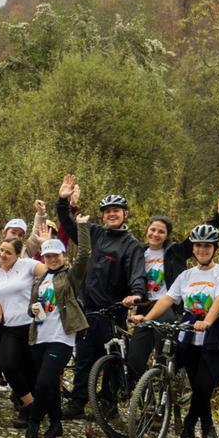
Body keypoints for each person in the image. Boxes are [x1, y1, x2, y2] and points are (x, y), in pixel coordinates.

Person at [133, 224, 219, 438]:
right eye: (198, 246)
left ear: (214, 248)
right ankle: (208, 432)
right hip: (189, 332)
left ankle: (190, 423)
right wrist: (147, 318)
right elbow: (167, 299)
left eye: (207, 246)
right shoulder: (187, 275)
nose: (202, 250)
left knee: (203, 384)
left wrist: (207, 321)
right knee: (196, 383)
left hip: (214, 331)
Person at [55, 175, 145, 417]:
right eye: (107, 211)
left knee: (113, 359)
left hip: (114, 310)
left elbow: (138, 272)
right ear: (103, 215)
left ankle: (108, 404)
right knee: (84, 358)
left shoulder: (131, 244)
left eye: (116, 211)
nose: (111, 214)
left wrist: (136, 293)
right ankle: (77, 403)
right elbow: (68, 225)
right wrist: (63, 201)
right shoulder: (94, 232)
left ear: (125, 214)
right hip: (88, 308)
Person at [130, 191, 219, 381]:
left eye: (161, 231)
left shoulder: (175, 252)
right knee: (135, 354)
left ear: (168, 236)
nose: (155, 234)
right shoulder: (138, 252)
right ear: (147, 230)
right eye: (152, 229)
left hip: (168, 306)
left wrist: (218, 216)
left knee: (164, 345)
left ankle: (163, 377)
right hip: (145, 305)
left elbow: (200, 240)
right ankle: (141, 389)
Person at [26, 222, 90, 438]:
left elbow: (83, 255)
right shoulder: (40, 279)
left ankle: (33, 421)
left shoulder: (71, 276)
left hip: (62, 336)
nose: (52, 260)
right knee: (50, 382)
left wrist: (81, 226)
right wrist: (33, 309)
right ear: (43, 258)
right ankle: (55, 424)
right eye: (48, 256)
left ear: (63, 255)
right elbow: (32, 308)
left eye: (56, 255)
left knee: (43, 382)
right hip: (39, 335)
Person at [0, 236, 41, 428]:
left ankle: (34, 413)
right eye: (1, 250)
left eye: (8, 252)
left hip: (31, 325)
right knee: (8, 365)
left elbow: (51, 273)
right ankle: (30, 404)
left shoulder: (27, 265)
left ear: (18, 255)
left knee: (31, 369)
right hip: (8, 327)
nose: (2, 254)